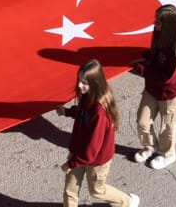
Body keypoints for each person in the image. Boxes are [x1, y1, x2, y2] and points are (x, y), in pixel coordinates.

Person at [59, 60, 137, 207]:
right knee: (70, 189)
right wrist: (68, 112)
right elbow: (83, 113)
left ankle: (126, 202)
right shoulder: (88, 96)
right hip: (79, 153)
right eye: (79, 80)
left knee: (96, 190)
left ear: (95, 83)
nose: (79, 85)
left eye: (84, 82)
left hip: (96, 161)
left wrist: (70, 163)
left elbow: (91, 150)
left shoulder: (100, 112)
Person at [132, 5, 176, 169]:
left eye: (158, 22)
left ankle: (168, 154)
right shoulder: (158, 32)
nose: (154, 24)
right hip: (153, 86)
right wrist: (146, 59)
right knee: (142, 120)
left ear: (168, 26)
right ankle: (150, 146)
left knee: (167, 126)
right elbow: (154, 53)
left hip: (171, 93)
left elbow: (168, 78)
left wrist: (144, 70)